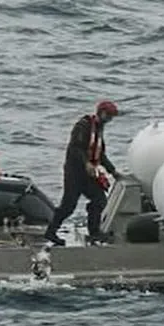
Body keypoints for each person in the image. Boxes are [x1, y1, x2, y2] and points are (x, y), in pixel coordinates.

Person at [44, 100, 122, 246]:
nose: (110, 120)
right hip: (74, 173)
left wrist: (113, 171)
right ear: (102, 113)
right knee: (68, 205)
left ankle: (94, 232)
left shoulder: (99, 130)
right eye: (109, 116)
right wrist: (85, 163)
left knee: (99, 200)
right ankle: (51, 231)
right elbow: (75, 148)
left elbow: (101, 155)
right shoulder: (83, 126)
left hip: (89, 175)